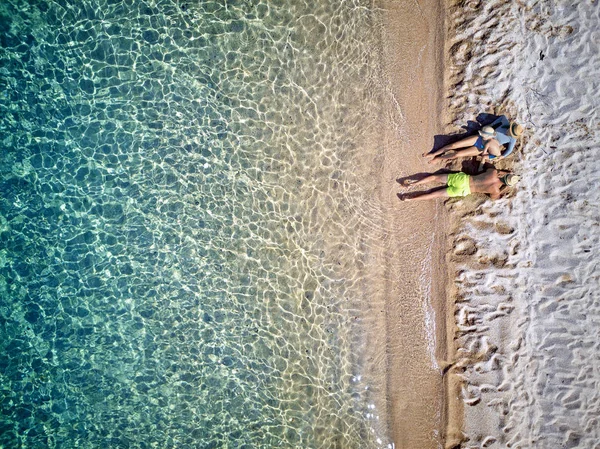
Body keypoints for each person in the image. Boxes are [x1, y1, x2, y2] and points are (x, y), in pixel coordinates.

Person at [399, 167, 520, 202]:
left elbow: (491, 169)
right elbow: (495, 199)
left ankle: (412, 184)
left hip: (463, 180)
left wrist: (504, 172)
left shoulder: (493, 172)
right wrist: (504, 189)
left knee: (435, 177)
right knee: (434, 194)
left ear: (505, 175)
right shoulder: (496, 191)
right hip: (464, 191)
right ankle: (409, 198)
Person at [423, 126, 503, 164]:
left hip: (480, 149)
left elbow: (495, 155)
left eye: (483, 134)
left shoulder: (493, 144)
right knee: (453, 145)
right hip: (477, 140)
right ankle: (433, 153)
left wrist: (487, 156)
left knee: (457, 154)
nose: (481, 134)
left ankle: (439, 158)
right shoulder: (481, 137)